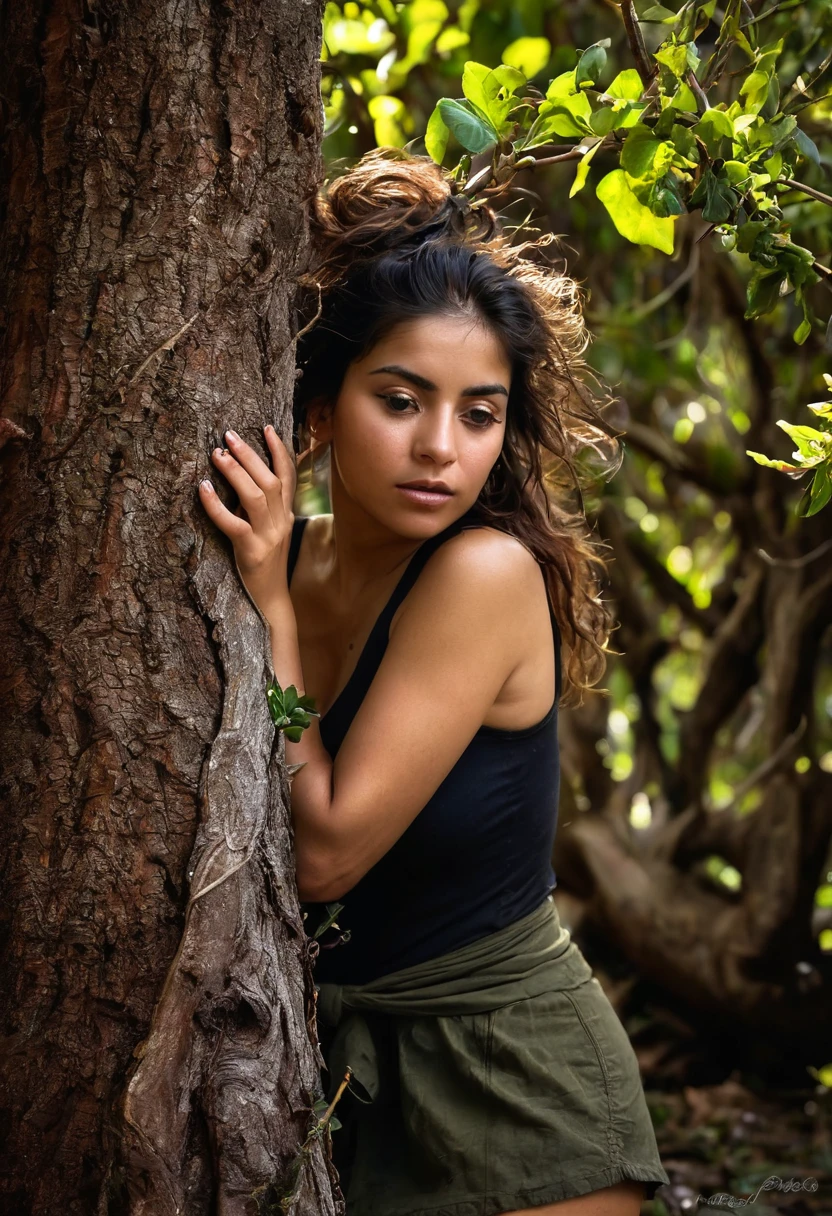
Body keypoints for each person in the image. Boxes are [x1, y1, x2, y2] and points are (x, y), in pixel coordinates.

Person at [198, 148, 670, 1216]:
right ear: (320, 403)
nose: (439, 449)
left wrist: (269, 610)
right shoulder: (293, 550)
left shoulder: (482, 573)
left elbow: (322, 851)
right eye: (401, 399)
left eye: (477, 412)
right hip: (330, 1072)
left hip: (513, 1080)